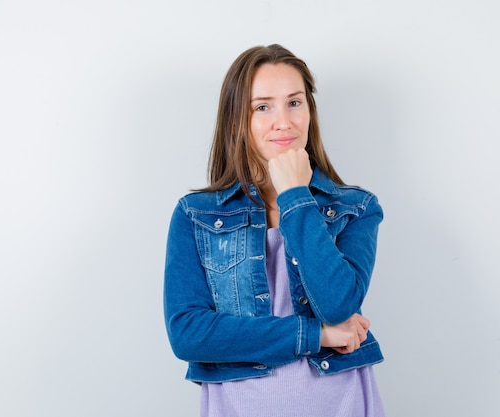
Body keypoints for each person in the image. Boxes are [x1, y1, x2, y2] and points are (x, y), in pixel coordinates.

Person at [163, 44, 385, 417]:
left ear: (310, 112)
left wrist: (295, 196)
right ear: (237, 121)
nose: (284, 121)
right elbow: (188, 334)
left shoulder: (356, 208)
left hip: (340, 402)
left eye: (294, 103)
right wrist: (316, 336)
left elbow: (337, 305)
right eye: (262, 106)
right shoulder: (195, 215)